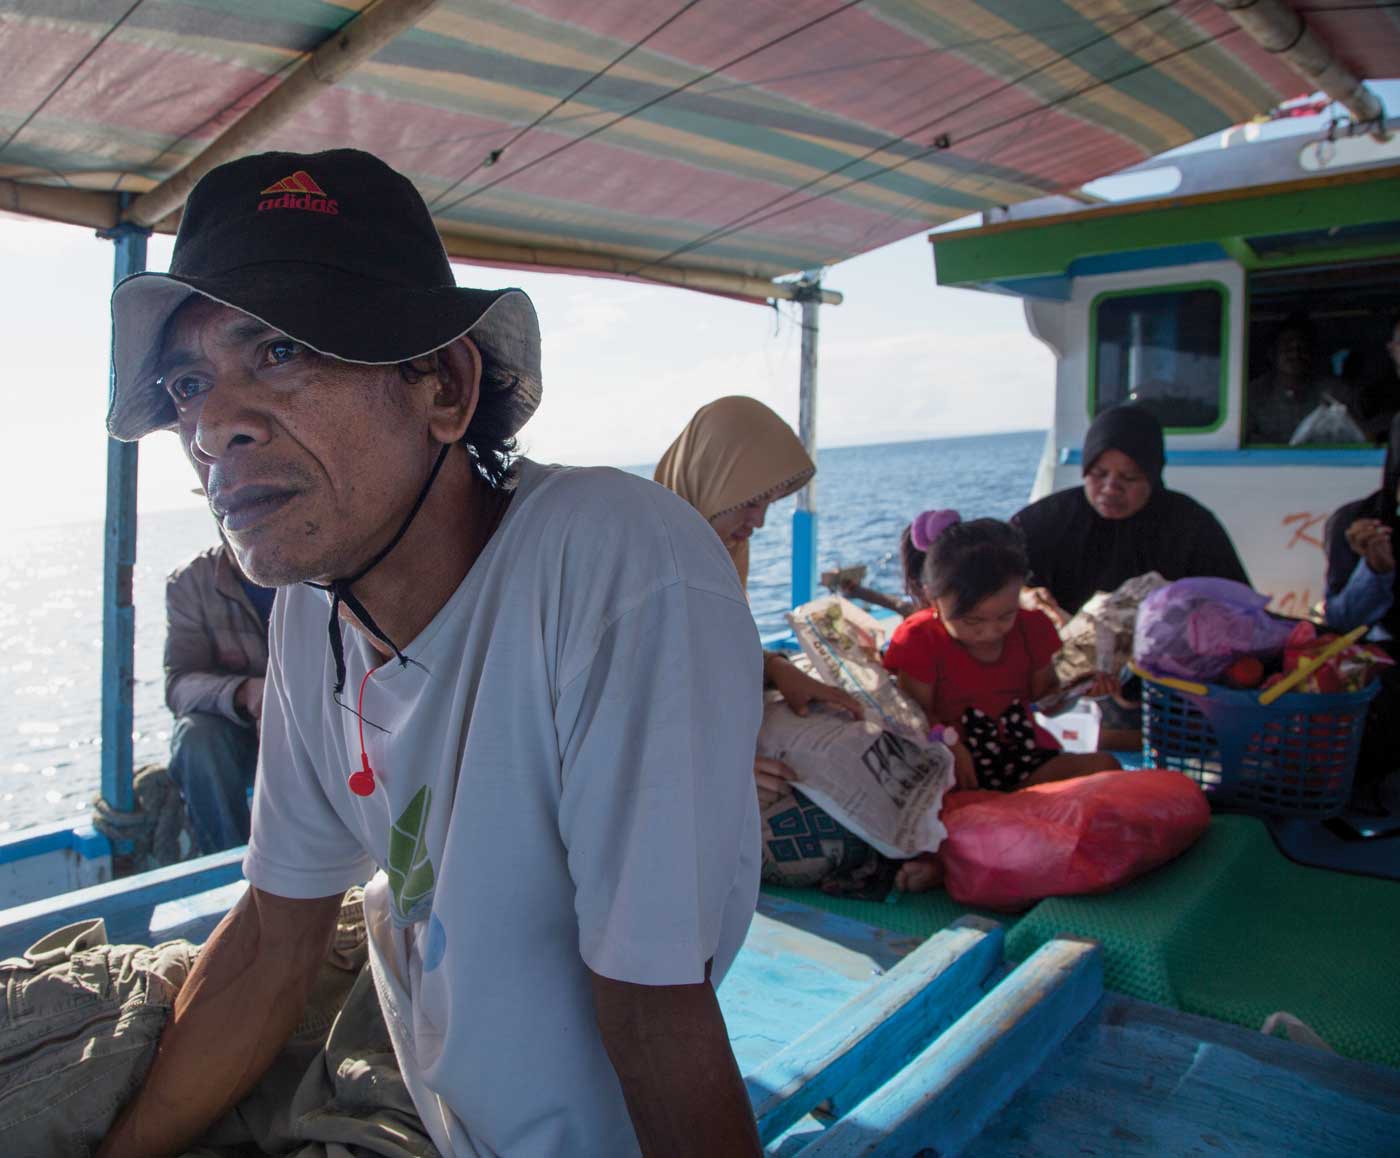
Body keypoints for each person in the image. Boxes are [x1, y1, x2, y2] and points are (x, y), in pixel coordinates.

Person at [88, 149, 763, 1157]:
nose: (213, 425)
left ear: (443, 385)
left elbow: (652, 1009)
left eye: (278, 352)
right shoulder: (311, 618)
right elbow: (277, 938)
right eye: (189, 382)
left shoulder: (617, 561)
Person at [883, 514, 1119, 892]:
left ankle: (993, 842)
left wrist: (1084, 691)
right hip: (957, 778)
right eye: (973, 622)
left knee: (1106, 768)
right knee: (948, 817)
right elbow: (911, 716)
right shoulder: (919, 639)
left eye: (1004, 616)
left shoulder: (1034, 628)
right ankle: (960, 855)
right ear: (933, 597)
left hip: (1023, 763)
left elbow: (1044, 702)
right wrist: (948, 742)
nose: (990, 633)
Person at [654, 395, 864, 812]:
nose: (760, 522)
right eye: (750, 502)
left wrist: (777, 670)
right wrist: (713, 769)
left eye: (769, 504)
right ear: (710, 482)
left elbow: (709, 652)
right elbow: (632, 698)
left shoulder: (720, 551)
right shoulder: (646, 561)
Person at [1012, 405, 1249, 624]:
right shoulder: (1045, 520)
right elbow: (988, 575)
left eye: (1129, 477)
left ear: (1152, 475)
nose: (1110, 488)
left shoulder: (1190, 526)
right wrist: (1023, 596)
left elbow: (1240, 607)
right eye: (1098, 473)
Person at [164, 538, 274, 852]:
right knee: (196, 737)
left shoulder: (320, 567)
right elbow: (179, 684)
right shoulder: (191, 581)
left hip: (317, 723)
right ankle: (228, 867)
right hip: (243, 737)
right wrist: (245, 692)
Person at [1245, 314, 1355, 445]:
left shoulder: (1335, 391)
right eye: (1287, 347)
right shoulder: (1252, 395)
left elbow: (1359, 436)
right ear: (1272, 354)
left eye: (1302, 348)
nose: (1295, 354)